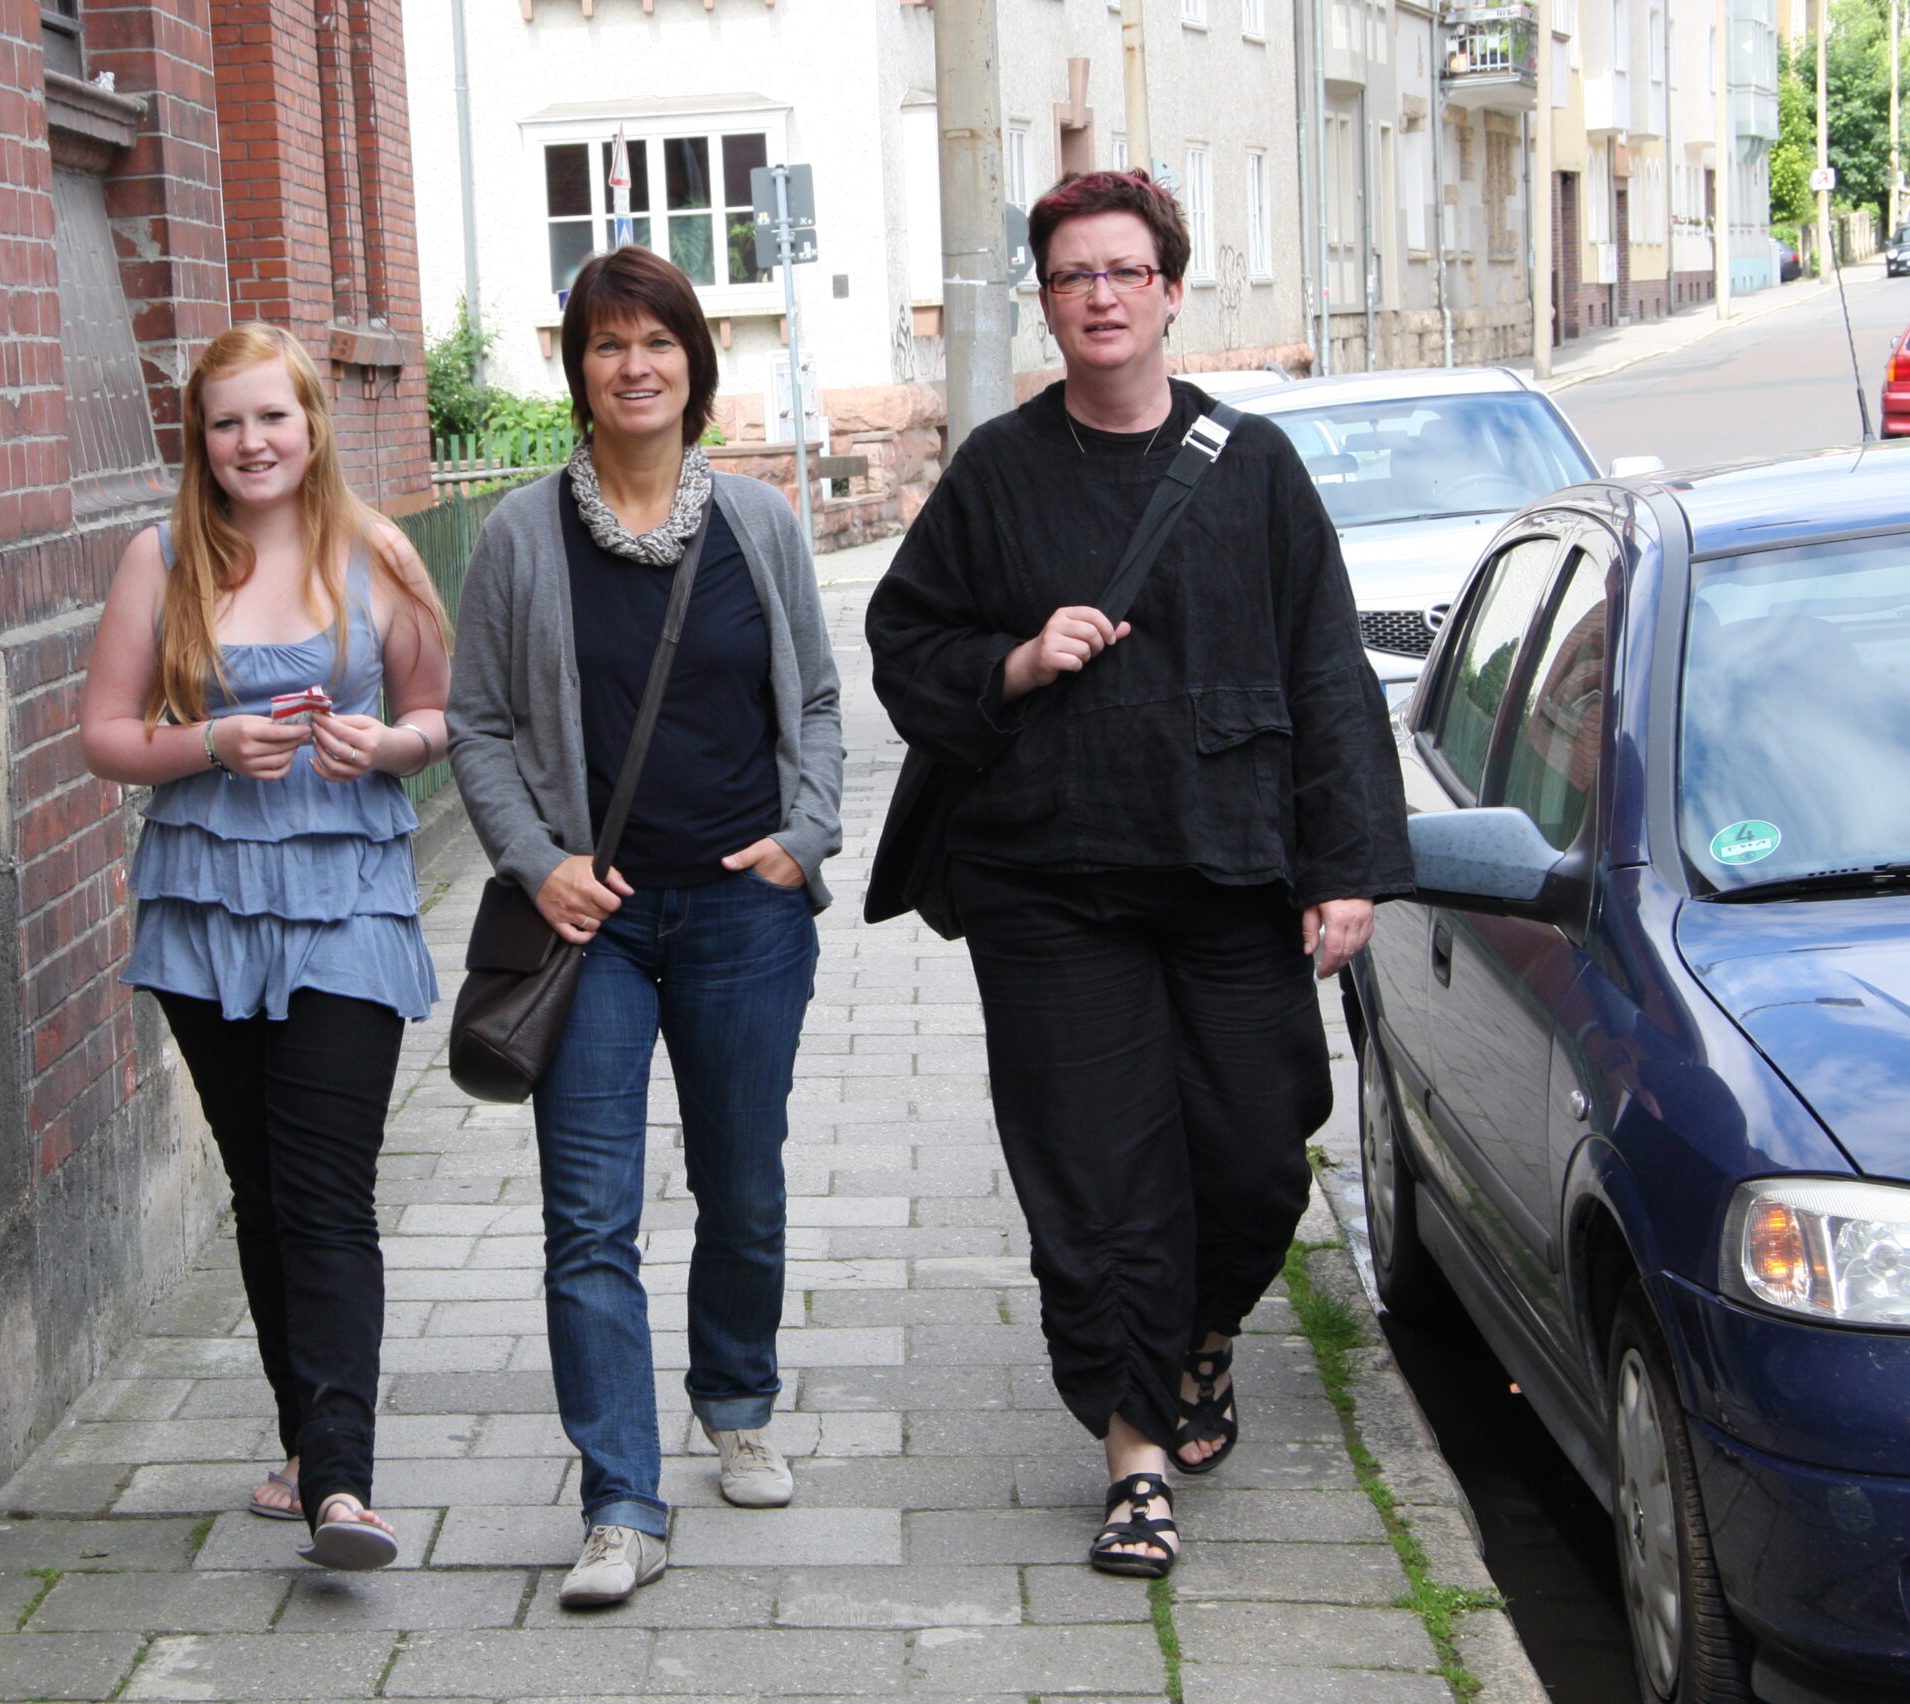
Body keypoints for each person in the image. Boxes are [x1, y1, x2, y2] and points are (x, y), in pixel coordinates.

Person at [864, 172, 1413, 1578]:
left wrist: (1344, 865)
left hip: (1228, 872)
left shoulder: (1257, 467)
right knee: (1100, 1182)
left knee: (1254, 1151)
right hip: (1050, 885)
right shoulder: (998, 472)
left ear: (1170, 291)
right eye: (1071, 275)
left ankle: (1203, 1333)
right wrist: (1012, 659)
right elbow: (904, 639)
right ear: (1045, 303)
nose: (1098, 295)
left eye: (1122, 271)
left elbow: (1328, 671)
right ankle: (1134, 1456)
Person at [447, 245, 844, 1608]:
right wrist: (535, 861)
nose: (635, 365)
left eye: (658, 341)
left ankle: (735, 1398)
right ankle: (619, 1498)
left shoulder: (760, 526)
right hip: (590, 931)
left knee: (742, 1183)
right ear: (578, 370)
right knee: (587, 1217)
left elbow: (819, 701)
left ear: (694, 363)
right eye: (608, 343)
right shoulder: (519, 537)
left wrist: (803, 837)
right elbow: (477, 724)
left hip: (743, 911)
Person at [78, 323, 450, 1571]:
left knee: (328, 1190)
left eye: (272, 417)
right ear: (201, 436)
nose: (252, 442)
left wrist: (386, 747)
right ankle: (304, 1445)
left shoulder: (377, 550)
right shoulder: (160, 559)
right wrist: (209, 743)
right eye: (227, 421)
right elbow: (105, 733)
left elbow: (440, 713)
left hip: (348, 898)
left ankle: (342, 1485)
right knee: (264, 1187)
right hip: (207, 904)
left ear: (311, 425)